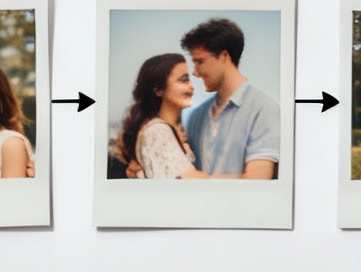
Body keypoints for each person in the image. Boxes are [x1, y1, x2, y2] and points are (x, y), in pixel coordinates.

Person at [180, 17, 281, 179]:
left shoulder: (264, 110)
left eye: (200, 62)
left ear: (223, 56)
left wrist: (203, 181)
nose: (195, 72)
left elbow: (257, 180)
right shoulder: (196, 116)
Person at [117, 53, 208, 179]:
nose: (192, 86)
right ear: (158, 90)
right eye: (183, 80)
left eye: (190, 80)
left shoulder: (170, 130)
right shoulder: (157, 131)